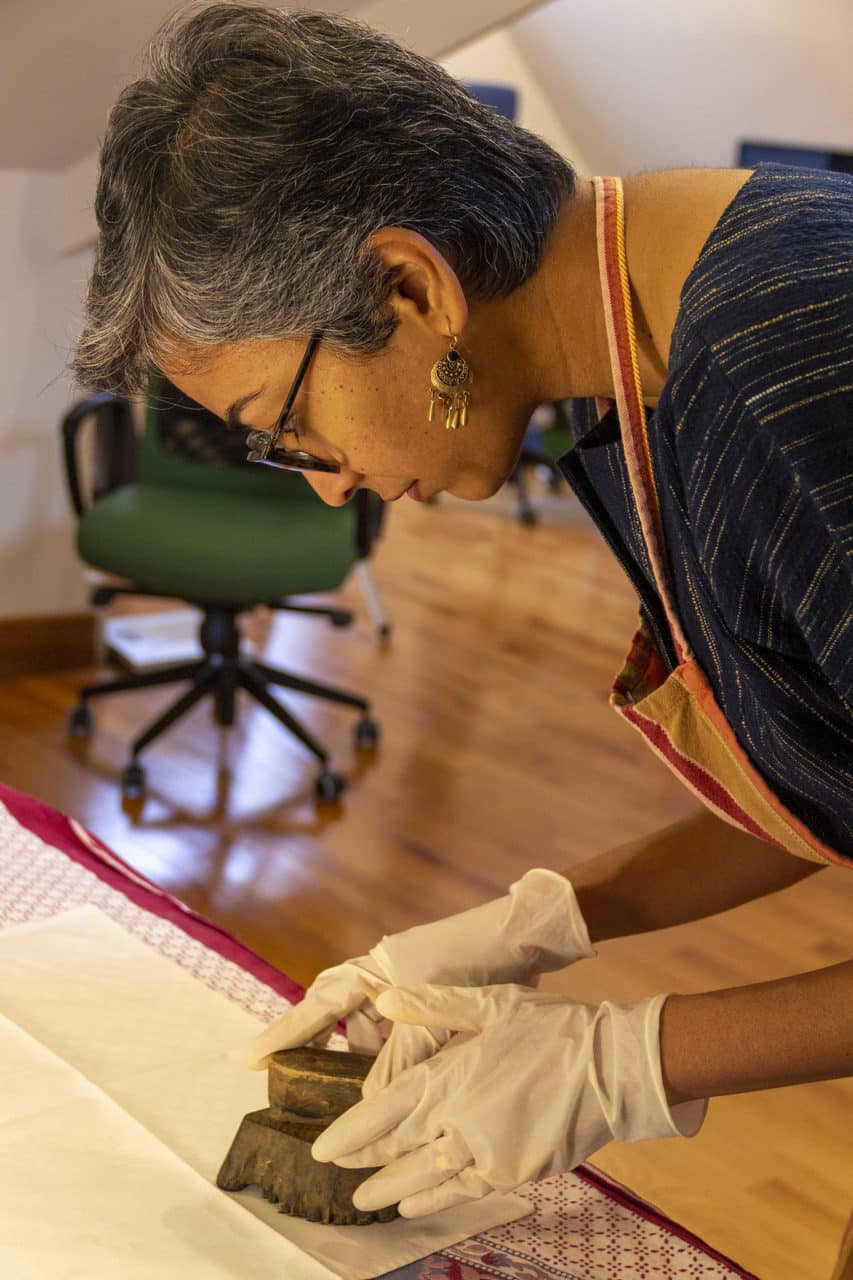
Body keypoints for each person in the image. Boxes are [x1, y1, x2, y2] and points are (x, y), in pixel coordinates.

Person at [71, 1, 852, 1232]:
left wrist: (632, 1058)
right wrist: (549, 921)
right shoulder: (649, 364)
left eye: (288, 427)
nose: (326, 480)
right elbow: (826, 768)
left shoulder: (794, 357)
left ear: (410, 284)